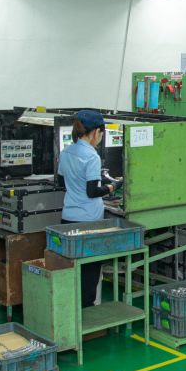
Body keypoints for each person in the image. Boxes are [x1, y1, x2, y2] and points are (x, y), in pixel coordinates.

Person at [57, 110, 122, 308]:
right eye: (101, 134)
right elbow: (92, 191)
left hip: (68, 218)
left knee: (71, 268)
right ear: (95, 132)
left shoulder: (66, 152)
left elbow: (63, 181)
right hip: (89, 222)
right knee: (90, 272)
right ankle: (86, 317)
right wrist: (113, 186)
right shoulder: (91, 156)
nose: (101, 138)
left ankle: (69, 313)